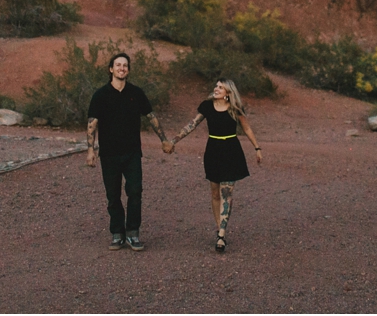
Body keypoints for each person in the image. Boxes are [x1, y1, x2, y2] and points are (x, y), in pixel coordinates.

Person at [86, 52, 171, 251]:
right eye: (118, 65)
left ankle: (133, 233)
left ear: (128, 70)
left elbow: (151, 116)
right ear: (110, 69)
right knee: (113, 195)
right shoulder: (100, 95)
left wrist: (164, 140)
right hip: (109, 153)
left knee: (135, 192)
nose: (121, 68)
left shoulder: (136, 93)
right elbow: (92, 122)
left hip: (132, 152)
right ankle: (117, 233)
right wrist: (91, 150)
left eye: (125, 65)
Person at [167, 79, 261, 252]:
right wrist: (174, 140)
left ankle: (222, 235)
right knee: (215, 192)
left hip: (231, 151)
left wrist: (257, 147)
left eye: (220, 87)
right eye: (216, 86)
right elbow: (192, 124)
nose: (216, 89)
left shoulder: (235, 109)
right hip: (213, 150)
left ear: (228, 92)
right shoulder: (207, 106)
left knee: (227, 193)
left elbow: (246, 128)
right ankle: (219, 228)